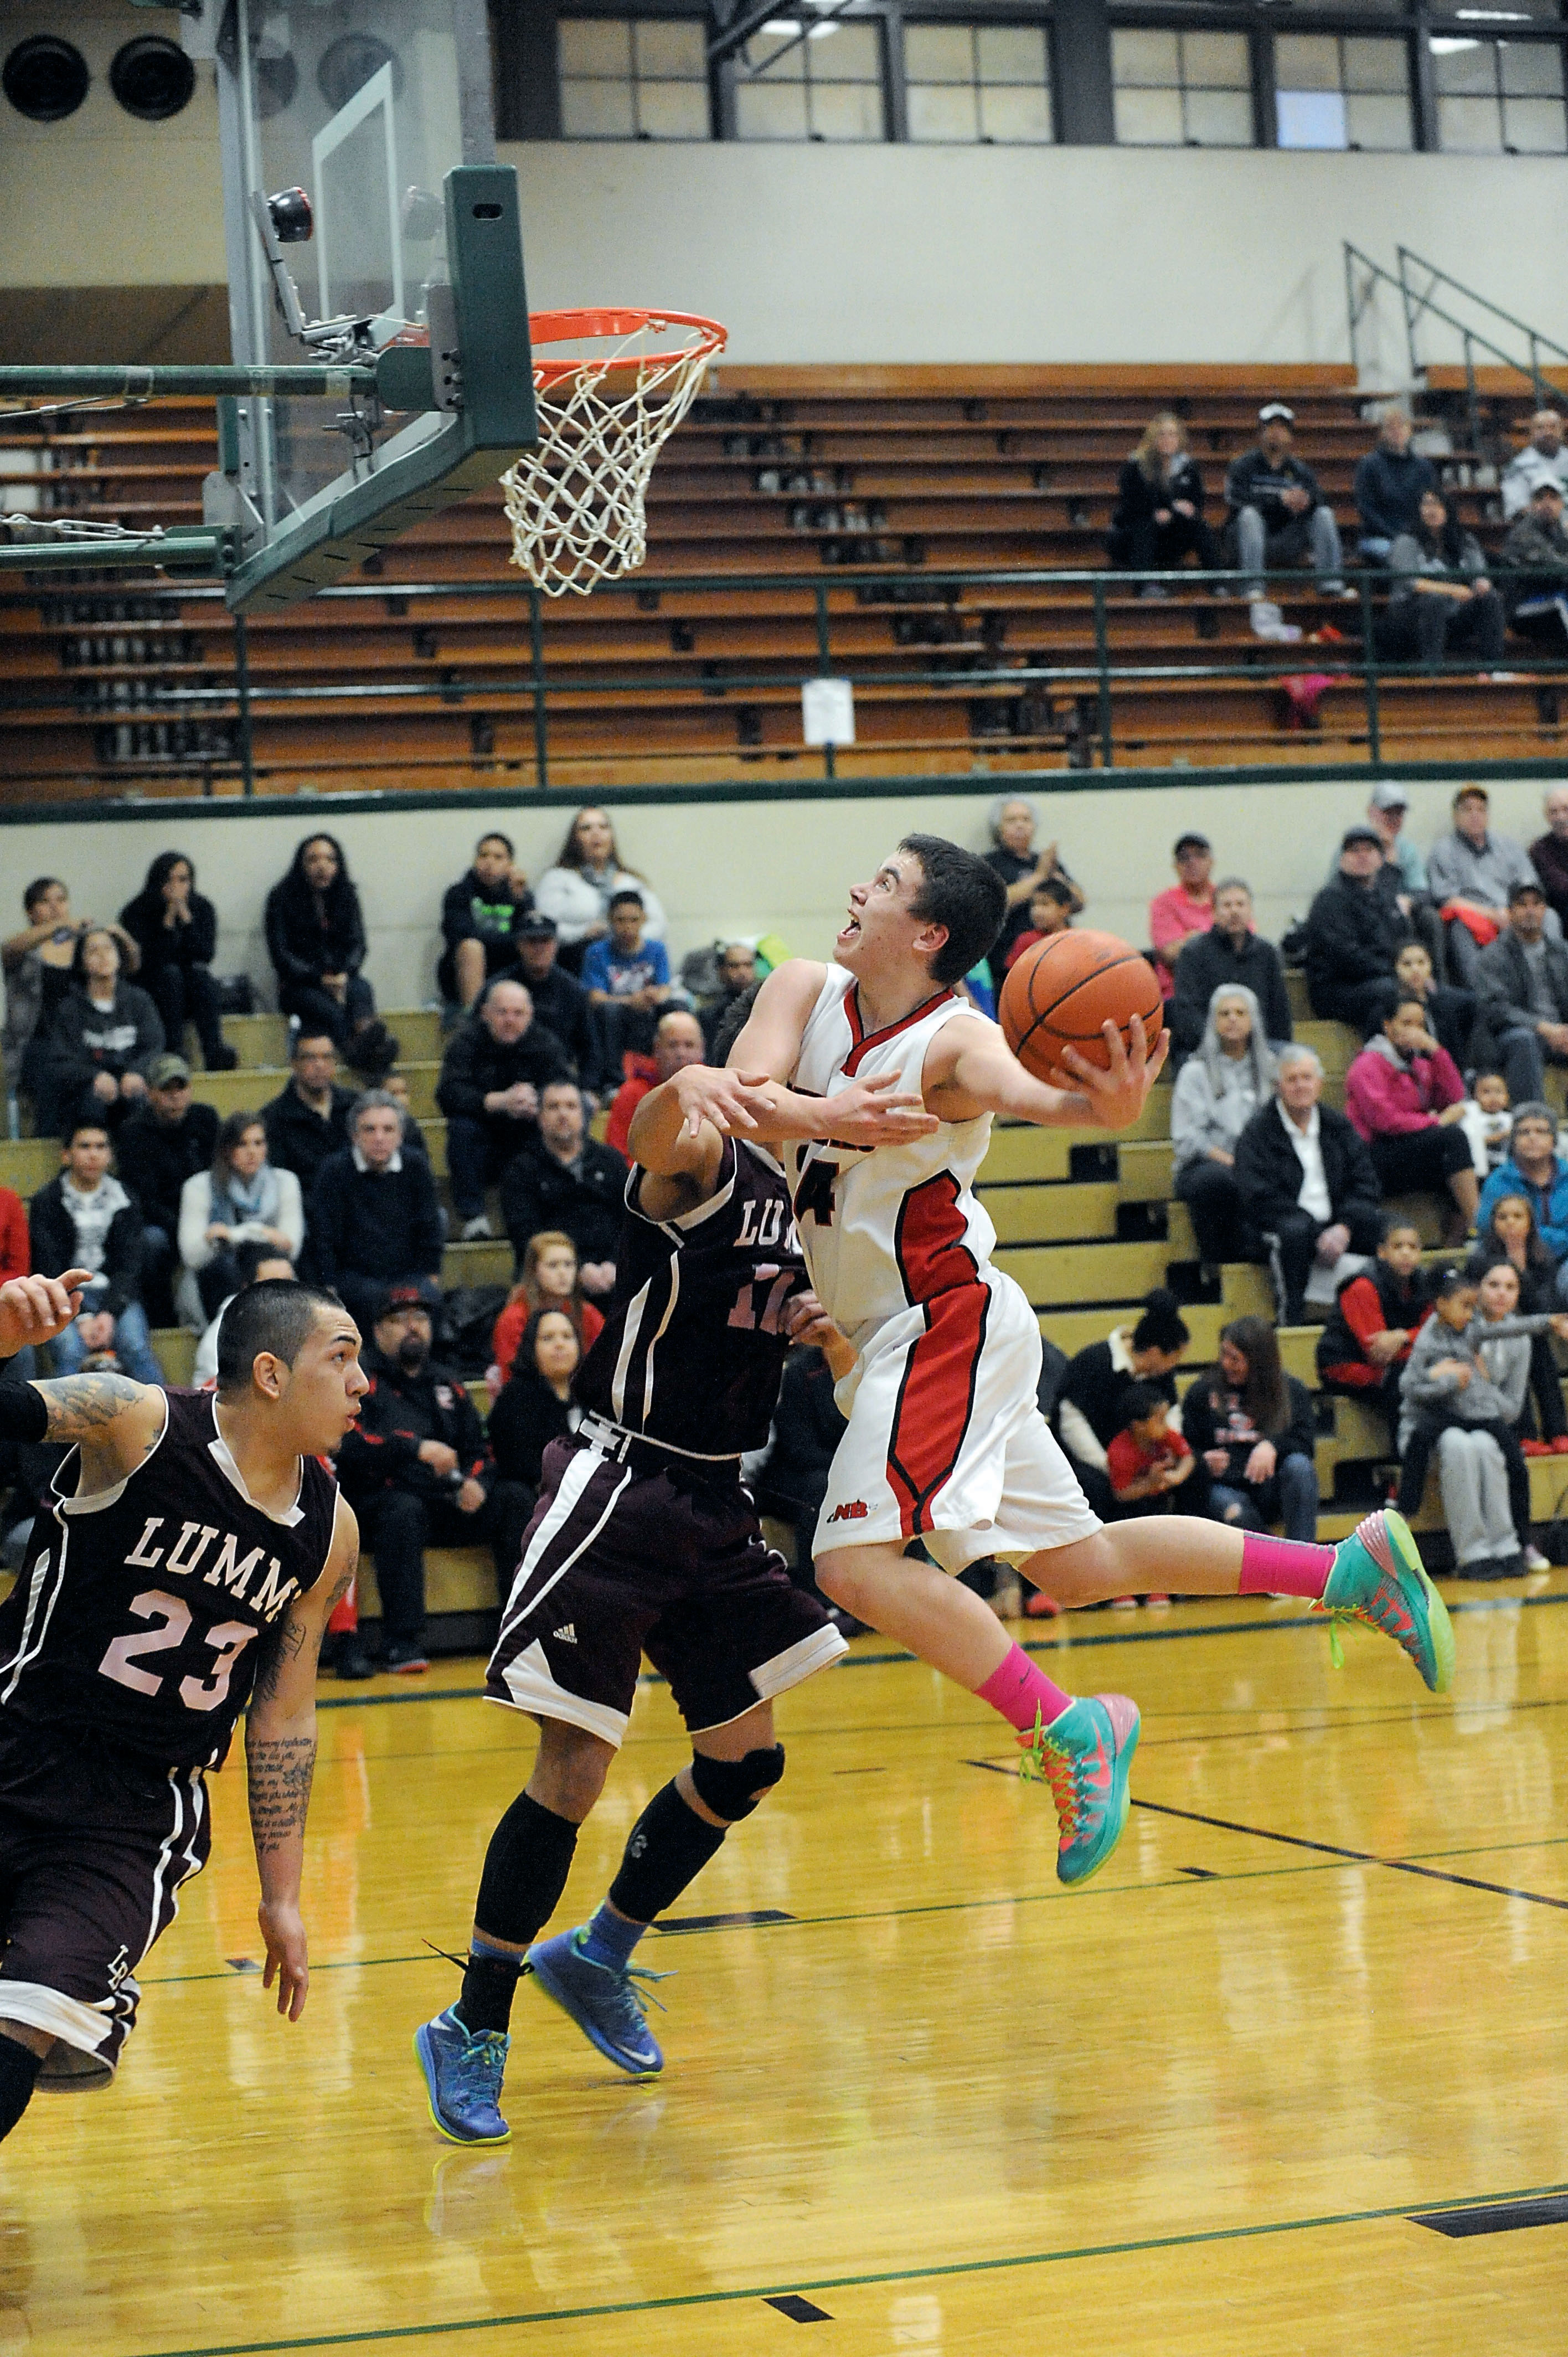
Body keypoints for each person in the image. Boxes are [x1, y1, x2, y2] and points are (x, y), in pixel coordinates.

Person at [684, 835, 1449, 1896]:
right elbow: (736, 1095)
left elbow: (1031, 1093)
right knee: (1078, 1567)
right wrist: (827, 1120)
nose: (856, 889)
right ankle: (1346, 1570)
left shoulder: (953, 1045)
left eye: (886, 885)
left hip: (944, 1326)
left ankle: (1068, 1725)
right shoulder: (803, 985)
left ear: (931, 932)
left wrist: (1095, 1108)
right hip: (894, 1342)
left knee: (851, 1565)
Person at [413, 1050, 860, 2140]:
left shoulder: (834, 1203)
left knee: (746, 1758)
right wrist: (690, 1083)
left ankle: (600, 1950)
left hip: (717, 1499)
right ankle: (472, 2022)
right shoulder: (718, 1154)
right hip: (622, 1482)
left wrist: (827, 1328)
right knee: (574, 1766)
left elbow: (845, 1355)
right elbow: (656, 1139)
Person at [0, 1268, 360, 2134]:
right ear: (271, 1374)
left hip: (134, 1811)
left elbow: (283, 1717)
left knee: (26, 2019)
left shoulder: (331, 1529)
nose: (361, 1384)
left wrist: (281, 1898)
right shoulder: (137, 1422)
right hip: (19, 1741)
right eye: (341, 1359)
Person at [337, 1286, 533, 1675]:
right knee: (402, 1510)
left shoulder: (448, 1383)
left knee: (514, 1498)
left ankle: (518, 1632)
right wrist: (414, 1448)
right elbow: (350, 1444)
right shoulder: (362, 1383)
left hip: (447, 1500)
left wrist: (476, 1482)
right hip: (388, 1501)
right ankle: (401, 1642)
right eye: (400, 1320)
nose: (413, 1328)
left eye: (421, 1319)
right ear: (377, 1331)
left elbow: (480, 1450)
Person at [1395, 1267, 1556, 1576]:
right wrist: (1445, 1379)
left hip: (1479, 1421)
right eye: (1492, 1285)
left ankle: (1508, 1546)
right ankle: (1471, 1552)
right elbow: (1410, 1386)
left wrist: (1481, 1382)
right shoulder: (1436, 1334)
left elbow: (1509, 1410)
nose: (1500, 1294)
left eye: (1510, 1286)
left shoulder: (1484, 1331)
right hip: (1431, 1425)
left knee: (1487, 1446)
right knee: (1460, 1445)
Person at [1234, 1043, 1383, 1325]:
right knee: (1294, 1234)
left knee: (1383, 1227)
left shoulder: (1338, 1126)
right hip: (1286, 1225)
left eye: (1307, 1078)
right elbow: (1258, 1195)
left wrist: (1344, 1227)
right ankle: (1292, 1321)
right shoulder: (1258, 1133)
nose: (1300, 1086)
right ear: (1278, 1086)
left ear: (1320, 1084)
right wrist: (1316, 1232)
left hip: (1337, 1223)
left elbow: (1365, 1182)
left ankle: (1376, 1320)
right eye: (1292, 1080)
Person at [435, 979, 573, 1243]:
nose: (510, 1020)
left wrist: (539, 1103)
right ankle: (474, 1218)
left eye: (518, 1013)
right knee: (461, 1128)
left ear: (530, 1015)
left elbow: (565, 1087)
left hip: (528, 1140)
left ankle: (553, 1215)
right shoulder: (465, 1041)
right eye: (502, 1012)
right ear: (486, 1013)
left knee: (562, 1119)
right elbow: (448, 1094)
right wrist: (496, 1101)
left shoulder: (546, 1044)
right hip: (483, 1143)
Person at [28, 1123, 162, 1385]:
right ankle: (66, 1425)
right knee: (69, 1350)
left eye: (101, 1147)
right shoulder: (47, 1201)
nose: (93, 1154)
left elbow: (130, 1266)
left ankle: (167, 1421)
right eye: (85, 1146)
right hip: (62, 1294)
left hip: (114, 1294)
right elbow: (47, 1264)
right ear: (66, 1155)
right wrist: (81, 1317)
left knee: (136, 1347)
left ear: (110, 1155)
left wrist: (109, 1313)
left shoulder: (125, 1198)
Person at [2, 881, 138, 1134]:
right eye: (45, 902)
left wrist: (120, 937)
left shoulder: (84, 947)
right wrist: (59, 928)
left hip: (86, 1039)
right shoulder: (27, 951)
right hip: (37, 1043)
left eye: (61, 900)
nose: (56, 907)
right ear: (31, 912)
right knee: (50, 1070)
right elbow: (9, 948)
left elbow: (131, 965)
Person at [306, 1092, 443, 1332]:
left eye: (388, 1130)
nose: (379, 1138)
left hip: (408, 1274)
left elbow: (429, 1227)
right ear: (354, 1135)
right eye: (370, 1130)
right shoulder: (334, 1171)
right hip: (354, 1277)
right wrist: (329, 1284)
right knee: (374, 1300)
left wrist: (431, 1275)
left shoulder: (416, 1166)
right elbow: (324, 1237)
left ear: (400, 1135)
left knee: (429, 1298)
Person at [1343, 1000, 1476, 1247]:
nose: (1414, 1031)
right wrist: (1435, 1121)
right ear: (1387, 1026)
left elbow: (1456, 1097)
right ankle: (1481, 1226)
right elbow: (1384, 1121)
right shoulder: (1368, 1064)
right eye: (1406, 1023)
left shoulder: (1419, 1064)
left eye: (1420, 1025)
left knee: (1461, 1153)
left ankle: (1457, 1238)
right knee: (1452, 1138)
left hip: (1408, 1147)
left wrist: (1436, 1051)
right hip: (1372, 1157)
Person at [264, 835, 396, 1079]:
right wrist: (320, 979)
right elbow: (281, 957)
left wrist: (345, 974)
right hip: (299, 985)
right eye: (313, 859)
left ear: (338, 865)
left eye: (329, 859)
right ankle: (362, 1052)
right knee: (331, 1010)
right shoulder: (281, 897)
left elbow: (358, 945)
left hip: (342, 978)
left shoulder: (347, 895)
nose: (321, 866)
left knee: (362, 989)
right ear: (301, 865)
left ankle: (366, 1044)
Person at [1055, 1290, 1192, 1521]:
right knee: (1093, 1487)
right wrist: (1110, 1466)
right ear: (1155, 1353)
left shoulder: (1161, 1375)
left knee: (1194, 1473)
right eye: (1174, 1358)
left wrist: (1167, 1453)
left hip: (1145, 1458)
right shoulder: (1094, 1361)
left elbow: (1172, 1412)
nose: (1174, 1366)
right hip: (1095, 1461)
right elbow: (1071, 1420)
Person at [1169, 985, 1275, 1279]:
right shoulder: (1195, 1071)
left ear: (1253, 1020)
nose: (1232, 1019)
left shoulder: (1270, 1069)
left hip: (1256, 1164)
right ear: (1213, 1022)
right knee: (1216, 1181)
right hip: (1205, 1165)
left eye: (1240, 1013)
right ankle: (1216, 1267)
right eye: (1224, 1013)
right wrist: (1233, 1162)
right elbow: (1188, 1138)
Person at [1184, 1317, 1319, 1544]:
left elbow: (1305, 1444)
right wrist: (1201, 1460)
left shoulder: (1291, 1391)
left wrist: (1273, 1446)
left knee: (1301, 1468)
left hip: (1272, 1488)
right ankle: (1284, 1558)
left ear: (1259, 1362)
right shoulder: (1203, 1391)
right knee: (1234, 1511)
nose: (1226, 1364)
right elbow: (1186, 1446)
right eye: (1224, 1354)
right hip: (1225, 1488)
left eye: (1235, 1359)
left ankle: (1306, 1554)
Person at [113, 1053, 221, 1326]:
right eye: (166, 1090)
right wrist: (185, 1227)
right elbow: (141, 1198)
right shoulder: (133, 1133)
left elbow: (220, 1175)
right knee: (151, 1242)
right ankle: (163, 1322)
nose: (175, 1096)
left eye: (181, 1088)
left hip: (207, 1213)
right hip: (161, 1220)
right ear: (150, 1093)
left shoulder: (206, 1120)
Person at [499, 1080, 627, 1299]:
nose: (563, 1114)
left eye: (571, 1106)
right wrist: (573, 1270)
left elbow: (631, 1221)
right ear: (540, 1117)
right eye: (553, 1107)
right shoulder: (521, 1170)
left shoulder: (610, 1161)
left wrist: (615, 1264)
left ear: (584, 1114)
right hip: (550, 1280)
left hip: (614, 1275)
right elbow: (526, 1237)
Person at [177, 1111, 305, 1327]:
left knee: (277, 1269)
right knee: (224, 1268)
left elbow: (291, 1247)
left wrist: (233, 1234)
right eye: (242, 1144)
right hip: (215, 1281)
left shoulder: (285, 1181)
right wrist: (266, 1233)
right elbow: (192, 1256)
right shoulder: (198, 1187)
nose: (252, 1152)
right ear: (226, 1150)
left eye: (258, 1143)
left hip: (268, 1275)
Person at [117, 852, 237, 1074]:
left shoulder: (202, 907)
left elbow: (204, 955)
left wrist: (187, 918)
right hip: (153, 986)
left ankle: (214, 1050)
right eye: (169, 880)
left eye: (182, 880)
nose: (175, 886)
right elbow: (150, 960)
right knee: (170, 974)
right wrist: (168, 920)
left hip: (191, 986)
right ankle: (174, 1049)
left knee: (202, 977)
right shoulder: (136, 910)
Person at [1428, 784, 1556, 990]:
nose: (1475, 815)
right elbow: (1446, 898)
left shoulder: (1509, 846)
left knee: (1550, 917)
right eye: (1467, 809)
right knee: (1458, 928)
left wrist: (1513, 912)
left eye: (1481, 809)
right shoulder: (1443, 851)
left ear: (1488, 815)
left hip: (1514, 911)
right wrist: (1492, 915)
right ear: (1456, 816)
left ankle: (1550, 986)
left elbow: (1531, 887)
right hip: (1475, 917)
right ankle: (1481, 993)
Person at [1224, 399, 1347, 614]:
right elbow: (1236, 499)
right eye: (1270, 427)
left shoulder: (1300, 471)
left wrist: (1306, 501)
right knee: (1249, 516)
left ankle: (1331, 582)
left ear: (1290, 435)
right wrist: (1279, 500)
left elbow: (1321, 499)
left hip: (1288, 539)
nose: (1276, 433)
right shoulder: (1242, 466)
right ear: (1260, 432)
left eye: (1281, 428)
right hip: (1248, 539)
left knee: (1324, 514)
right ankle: (1253, 586)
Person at [1317, 1216, 1435, 1435]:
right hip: (1346, 1365)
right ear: (1382, 1252)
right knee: (1405, 1380)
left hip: (1398, 1358)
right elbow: (1377, 1353)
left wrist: (1403, 1336)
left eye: (1413, 1247)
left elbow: (1437, 1333)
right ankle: (1404, 1457)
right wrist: (1422, 1346)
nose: (1406, 1253)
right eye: (1398, 1246)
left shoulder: (1424, 1284)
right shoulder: (1362, 1286)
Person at [1471, 1192, 1568, 1451]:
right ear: (1492, 1223)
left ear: (1530, 1223)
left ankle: (1557, 1431)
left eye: (1517, 1216)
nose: (1510, 1223)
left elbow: (1547, 1305)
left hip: (1532, 1329)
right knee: (1518, 1351)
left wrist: (1521, 1270)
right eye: (1503, 1217)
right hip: (1493, 1333)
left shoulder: (1542, 1256)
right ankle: (1524, 1434)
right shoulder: (1480, 1258)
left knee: (1541, 1354)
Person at [45, 928, 164, 1137]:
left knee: (141, 1101)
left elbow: (154, 1046)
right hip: (88, 1091)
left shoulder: (139, 1000)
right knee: (90, 1102)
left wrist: (137, 1071)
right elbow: (62, 1060)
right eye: (93, 951)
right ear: (81, 963)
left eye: (109, 949)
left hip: (131, 1084)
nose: (102, 956)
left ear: (119, 958)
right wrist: (94, 1076)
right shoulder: (70, 1009)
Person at [1302, 825, 1409, 1038]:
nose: (1361, 856)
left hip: (1381, 978)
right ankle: (1375, 1059)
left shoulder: (1386, 897)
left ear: (1381, 859)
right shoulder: (1329, 900)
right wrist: (1395, 973)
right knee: (1387, 993)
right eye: (1354, 851)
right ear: (1342, 860)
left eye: (1368, 850)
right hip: (1337, 988)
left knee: (1446, 999)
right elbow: (1345, 956)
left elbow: (1402, 942)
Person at [532, 807, 667, 972]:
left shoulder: (632, 883)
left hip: (630, 967)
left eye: (603, 827)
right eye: (586, 828)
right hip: (573, 964)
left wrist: (625, 937)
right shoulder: (557, 879)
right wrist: (583, 932)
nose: (596, 834)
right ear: (574, 839)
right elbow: (543, 928)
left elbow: (659, 925)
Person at [1471, 877, 1568, 1105]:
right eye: (1522, 905)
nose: (1530, 911)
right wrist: (1543, 1027)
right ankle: (1531, 1116)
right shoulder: (1492, 956)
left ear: (1545, 910)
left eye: (1536, 904)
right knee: (1524, 1040)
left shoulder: (1561, 951)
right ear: (1510, 912)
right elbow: (1496, 1010)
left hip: (1560, 1033)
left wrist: (1562, 1032)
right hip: (1515, 1034)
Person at [1383, 490, 1504, 672]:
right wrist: (1452, 590)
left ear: (1448, 509)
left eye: (1438, 504)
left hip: (1455, 611)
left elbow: (1480, 573)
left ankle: (1493, 669)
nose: (1432, 510)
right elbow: (1410, 583)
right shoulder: (1406, 541)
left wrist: (1482, 584)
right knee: (1434, 600)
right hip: (1411, 613)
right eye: (1427, 504)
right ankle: (1433, 670)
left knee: (1491, 598)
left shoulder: (1465, 540)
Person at [1169, 878, 1292, 1057]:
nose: (1234, 911)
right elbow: (1187, 1014)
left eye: (1241, 904)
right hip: (1204, 1047)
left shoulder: (1267, 953)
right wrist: (1225, 1045)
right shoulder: (1193, 953)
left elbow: (1279, 1011)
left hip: (1258, 1048)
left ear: (1250, 911)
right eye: (1227, 905)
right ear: (1214, 913)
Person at [1106, 411, 1220, 589]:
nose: (1167, 439)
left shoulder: (1188, 467)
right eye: (1162, 434)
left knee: (1201, 527)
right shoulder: (1135, 466)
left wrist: (1175, 511)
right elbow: (1131, 506)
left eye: (1172, 434)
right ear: (1152, 438)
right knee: (1144, 525)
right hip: (1132, 536)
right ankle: (1144, 586)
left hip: (1170, 533)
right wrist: (1165, 510)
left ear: (1180, 439)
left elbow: (1195, 505)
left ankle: (1217, 584)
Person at [981, 798, 1082, 988]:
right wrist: (1039, 877)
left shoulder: (1044, 861)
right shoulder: (990, 863)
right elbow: (995, 902)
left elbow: (1079, 902)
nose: (1020, 825)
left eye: (1026, 820)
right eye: (1012, 820)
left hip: (1056, 959)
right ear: (999, 828)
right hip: (1008, 962)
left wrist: (1058, 879)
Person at [483, 1308, 581, 1501]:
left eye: (567, 1337)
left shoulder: (591, 1395)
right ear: (531, 1347)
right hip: (537, 1500)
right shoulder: (515, 1398)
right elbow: (519, 1466)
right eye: (548, 1338)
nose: (559, 1344)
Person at [1478, 1102, 1568, 1302]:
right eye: (1524, 1132)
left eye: (1541, 1131)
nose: (1532, 1137)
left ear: (1554, 1139)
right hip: (1511, 1255)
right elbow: (1487, 1227)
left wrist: (1534, 1233)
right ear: (1514, 1140)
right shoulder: (1499, 1180)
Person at [489, 1231, 604, 1388]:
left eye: (569, 1264)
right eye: (553, 1265)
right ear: (534, 1271)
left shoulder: (588, 1313)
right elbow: (511, 1376)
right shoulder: (514, 1318)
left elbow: (607, 1363)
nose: (563, 1273)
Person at [437, 833, 534, 1009]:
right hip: (463, 972)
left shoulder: (521, 895)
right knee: (472, 947)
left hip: (508, 968)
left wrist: (520, 901)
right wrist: (507, 941)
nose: (489, 862)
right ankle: (473, 1020)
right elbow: (458, 936)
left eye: (498, 857)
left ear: (510, 865)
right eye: (483, 855)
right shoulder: (458, 894)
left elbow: (528, 937)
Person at [581, 889, 673, 1068]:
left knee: (676, 1008)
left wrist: (654, 996)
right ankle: (613, 1079)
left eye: (634, 920)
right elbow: (595, 998)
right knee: (609, 1011)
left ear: (644, 919)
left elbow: (665, 988)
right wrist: (631, 1001)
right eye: (620, 920)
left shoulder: (657, 949)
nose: (627, 927)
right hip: (616, 1014)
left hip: (648, 1011)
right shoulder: (597, 952)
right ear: (610, 919)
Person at [261, 1031, 358, 1197]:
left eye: (326, 1057)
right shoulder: (273, 1118)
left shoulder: (357, 1107)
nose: (319, 1065)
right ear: (294, 1064)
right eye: (310, 1058)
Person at [512, 915, 599, 1091]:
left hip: (559, 1082)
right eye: (532, 941)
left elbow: (590, 1048)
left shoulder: (573, 991)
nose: (539, 948)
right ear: (520, 945)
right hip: (510, 1081)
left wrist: (587, 1089)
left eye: (545, 941)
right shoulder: (500, 990)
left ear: (556, 945)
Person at [190, 1242, 296, 1388]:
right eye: (272, 1285)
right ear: (248, 1289)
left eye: (289, 1282)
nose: (284, 1293)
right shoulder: (226, 1331)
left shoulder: (304, 1318)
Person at [605, 1008, 706, 1159]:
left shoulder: (713, 1091)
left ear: (702, 1050)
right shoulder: (632, 1093)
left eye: (689, 1045)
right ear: (657, 1049)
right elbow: (618, 1156)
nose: (681, 1054)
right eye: (673, 1045)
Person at [1353, 408, 1437, 567]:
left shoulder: (1424, 467)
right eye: (1391, 428)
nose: (1397, 432)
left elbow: (1432, 504)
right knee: (1401, 557)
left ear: (1410, 430)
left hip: (1416, 537)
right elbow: (1366, 509)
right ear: (1382, 433)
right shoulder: (1370, 465)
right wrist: (1396, 536)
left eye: (1401, 426)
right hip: (1380, 537)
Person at [1105, 1383, 1198, 1521]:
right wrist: (1151, 1484)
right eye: (1161, 1420)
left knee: (1198, 1469)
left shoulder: (1165, 1435)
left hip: (1165, 1491)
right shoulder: (1120, 1452)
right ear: (1139, 1426)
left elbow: (1188, 1457)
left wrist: (1178, 1476)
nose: (1167, 1426)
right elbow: (1121, 1493)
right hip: (1137, 1505)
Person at [1147, 832, 1216, 1001]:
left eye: (1200, 856)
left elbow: (1243, 941)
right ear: (1176, 866)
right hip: (1178, 994)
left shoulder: (1225, 897)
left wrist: (1192, 938)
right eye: (1184, 858)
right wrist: (1217, 938)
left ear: (1211, 862)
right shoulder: (1164, 902)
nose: (1192, 863)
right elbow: (1171, 954)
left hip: (1224, 991)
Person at [1500, 481, 1568, 647]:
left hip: (1550, 596)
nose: (1547, 504)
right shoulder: (1524, 533)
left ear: (1561, 504)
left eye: (1553, 498)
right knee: (1562, 602)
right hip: (1521, 604)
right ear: (1532, 505)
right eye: (1540, 498)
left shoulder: (1559, 531)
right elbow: (1554, 565)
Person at [1392, 938, 1474, 1074]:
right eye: (1407, 964)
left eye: (1421, 962)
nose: (1415, 970)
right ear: (1395, 968)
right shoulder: (1390, 1007)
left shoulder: (1444, 1004)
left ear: (1430, 965)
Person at [1500, 406, 1568, 519]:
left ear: (1561, 431)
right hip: (1538, 531)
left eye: (1553, 427)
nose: (1548, 432)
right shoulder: (1519, 466)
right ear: (1531, 433)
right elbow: (1518, 509)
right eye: (1540, 428)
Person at [1002, 876, 1077, 969]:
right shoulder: (1026, 940)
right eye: (1034, 905)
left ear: (1065, 909)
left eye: (1045, 904)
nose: (1037, 911)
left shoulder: (1076, 940)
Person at [700, 943, 760, 1057]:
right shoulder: (709, 1015)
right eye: (734, 966)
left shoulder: (765, 1007)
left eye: (748, 965)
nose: (742, 972)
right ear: (721, 971)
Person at [1457, 1067, 1513, 1181]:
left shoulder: (1510, 1119)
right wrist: (1499, 1137)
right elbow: (1471, 1141)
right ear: (1474, 1096)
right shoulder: (1472, 1117)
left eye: (1499, 1092)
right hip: (1482, 1167)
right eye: (1486, 1092)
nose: (1493, 1097)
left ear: (1507, 1096)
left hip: (1506, 1164)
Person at [1529, 784, 1568, 933]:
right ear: (1547, 817)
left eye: (1566, 809)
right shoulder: (1540, 850)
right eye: (1554, 812)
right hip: (1560, 916)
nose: (1561, 817)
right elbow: (1560, 888)